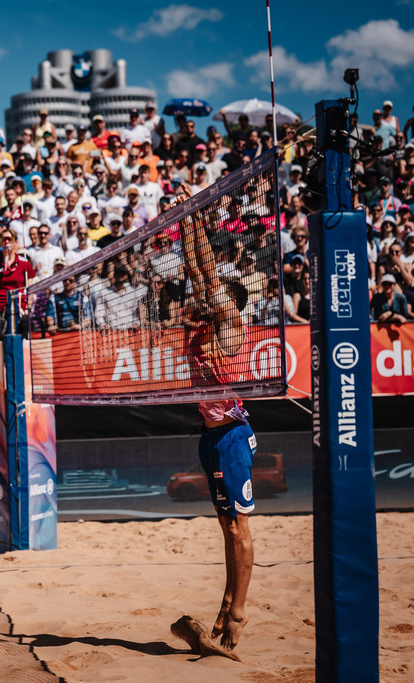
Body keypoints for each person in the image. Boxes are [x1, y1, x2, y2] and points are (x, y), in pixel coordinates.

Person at [179, 186, 255, 651]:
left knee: (239, 528)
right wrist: (185, 217)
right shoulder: (206, 323)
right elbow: (194, 268)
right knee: (225, 527)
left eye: (218, 293)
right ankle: (226, 606)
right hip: (209, 438)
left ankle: (238, 616)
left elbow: (206, 270)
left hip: (232, 435)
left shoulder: (230, 325)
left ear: (232, 302)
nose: (208, 293)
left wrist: (198, 218)